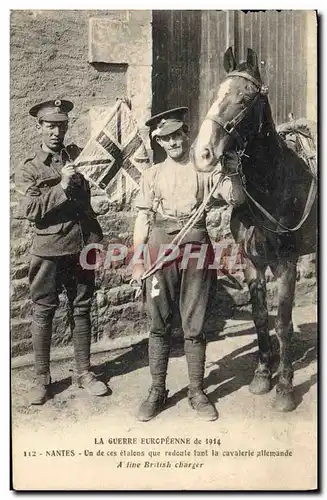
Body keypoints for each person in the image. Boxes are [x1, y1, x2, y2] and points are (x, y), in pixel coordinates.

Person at [132, 107, 245, 422]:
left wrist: (233, 172)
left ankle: (197, 390)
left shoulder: (205, 171)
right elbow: (142, 217)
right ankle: (157, 390)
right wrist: (137, 258)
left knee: (194, 324)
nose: (172, 143)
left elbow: (236, 199)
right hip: (159, 249)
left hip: (196, 248)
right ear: (160, 142)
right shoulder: (152, 175)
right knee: (159, 322)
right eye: (165, 138)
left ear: (186, 135)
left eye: (176, 135)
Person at [15, 99, 108, 405]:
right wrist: (63, 184)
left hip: (81, 245)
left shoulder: (81, 157)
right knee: (43, 311)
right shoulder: (29, 168)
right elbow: (30, 210)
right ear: (39, 127)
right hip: (49, 249)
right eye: (50, 125)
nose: (56, 132)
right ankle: (42, 379)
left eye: (61, 125)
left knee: (82, 308)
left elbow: (94, 195)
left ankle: (84, 372)